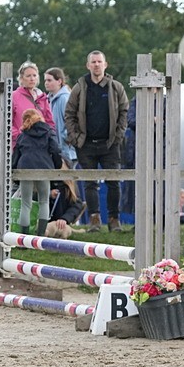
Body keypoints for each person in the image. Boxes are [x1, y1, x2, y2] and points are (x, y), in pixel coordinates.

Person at [64, 50, 129, 232]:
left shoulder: (116, 87)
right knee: (90, 183)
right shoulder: (80, 87)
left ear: (105, 65)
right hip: (86, 143)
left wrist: (118, 135)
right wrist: (76, 137)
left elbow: (125, 111)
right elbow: (69, 113)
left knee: (113, 182)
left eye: (99, 61)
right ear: (88, 65)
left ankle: (114, 219)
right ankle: (94, 219)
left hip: (110, 143)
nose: (96, 65)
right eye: (93, 62)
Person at [11, 109, 62, 235]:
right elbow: (55, 149)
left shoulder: (22, 135)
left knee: (25, 203)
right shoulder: (49, 132)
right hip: (43, 168)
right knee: (44, 201)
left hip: (25, 169)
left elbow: (16, 155)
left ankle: (24, 237)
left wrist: (14, 172)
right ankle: (40, 237)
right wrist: (56, 165)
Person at [11, 61, 55, 144]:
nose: (32, 78)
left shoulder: (42, 97)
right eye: (28, 76)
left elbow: (49, 121)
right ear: (21, 78)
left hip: (41, 144)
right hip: (21, 144)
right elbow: (7, 123)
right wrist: (19, 136)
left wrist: (49, 137)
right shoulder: (14, 96)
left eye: (34, 75)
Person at [43, 67, 77, 166]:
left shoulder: (64, 99)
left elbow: (71, 123)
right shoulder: (48, 99)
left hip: (66, 150)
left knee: (67, 180)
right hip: (56, 149)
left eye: (49, 80)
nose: (46, 83)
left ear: (59, 81)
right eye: (45, 80)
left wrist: (67, 139)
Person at [44, 163, 85, 240]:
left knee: (60, 227)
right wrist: (48, 194)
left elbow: (76, 204)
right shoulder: (43, 180)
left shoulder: (69, 185)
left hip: (61, 221)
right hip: (44, 220)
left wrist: (65, 219)